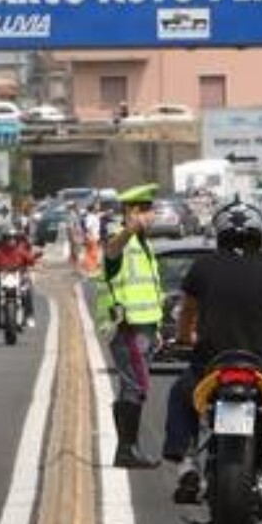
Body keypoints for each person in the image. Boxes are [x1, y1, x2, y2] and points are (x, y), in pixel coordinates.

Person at [162, 199, 262, 505]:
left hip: (212, 368)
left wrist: (183, 340)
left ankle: (186, 463)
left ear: (219, 235)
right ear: (260, 235)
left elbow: (187, 315)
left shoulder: (202, 267)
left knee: (180, 396)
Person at [96, 182, 163, 469]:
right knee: (135, 385)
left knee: (135, 386)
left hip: (144, 326)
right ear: (132, 212)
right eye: (146, 211)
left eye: (151, 210)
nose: (152, 216)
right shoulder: (121, 239)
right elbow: (111, 252)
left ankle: (128, 447)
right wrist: (128, 230)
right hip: (128, 327)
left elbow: (150, 289)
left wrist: (156, 329)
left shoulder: (145, 244)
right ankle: (126, 449)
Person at [0, 228, 39, 326]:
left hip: (18, 278)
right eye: (8, 239)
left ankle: (29, 316)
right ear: (4, 240)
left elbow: (32, 260)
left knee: (27, 292)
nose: (11, 241)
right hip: (2, 278)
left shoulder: (21, 251)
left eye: (13, 239)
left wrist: (35, 263)